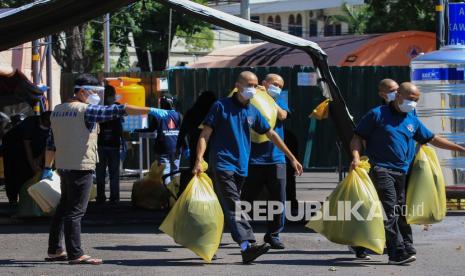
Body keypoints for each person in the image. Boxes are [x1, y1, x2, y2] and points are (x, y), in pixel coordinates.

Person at [42, 74, 167, 265]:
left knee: (63, 209)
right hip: (80, 166)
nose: (96, 96)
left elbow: (51, 144)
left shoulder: (57, 111)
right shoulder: (86, 111)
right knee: (75, 212)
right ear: (82, 91)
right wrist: (151, 110)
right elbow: (119, 110)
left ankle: (55, 249)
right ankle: (76, 254)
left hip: (64, 166)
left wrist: (46, 168)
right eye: (93, 91)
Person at [193, 71, 303, 264]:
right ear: (237, 85)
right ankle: (247, 245)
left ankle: (207, 242)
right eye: (248, 85)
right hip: (222, 163)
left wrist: (291, 158)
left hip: (241, 166)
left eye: (254, 85)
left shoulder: (252, 110)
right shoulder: (221, 106)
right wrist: (199, 159)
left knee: (224, 206)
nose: (252, 88)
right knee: (235, 204)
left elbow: (271, 134)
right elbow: (205, 134)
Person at [350, 82, 465, 265]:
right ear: (398, 96)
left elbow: (433, 138)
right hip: (380, 168)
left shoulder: (411, 118)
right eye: (410, 99)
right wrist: (356, 157)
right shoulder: (377, 114)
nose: (413, 103)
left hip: (401, 171)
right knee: (390, 210)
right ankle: (396, 253)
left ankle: (401, 245)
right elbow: (357, 137)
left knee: (400, 210)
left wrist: (461, 149)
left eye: (416, 100)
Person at [241, 73, 289, 249]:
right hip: (253, 159)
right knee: (247, 198)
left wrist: (270, 99)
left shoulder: (278, 101)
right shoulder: (251, 98)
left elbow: (283, 115)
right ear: (264, 83)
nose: (277, 87)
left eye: (280, 86)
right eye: (274, 83)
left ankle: (273, 234)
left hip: (277, 159)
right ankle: (244, 234)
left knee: (279, 199)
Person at [3, 111, 51, 205]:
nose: (50, 125)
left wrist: (39, 159)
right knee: (14, 171)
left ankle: (30, 199)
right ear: (42, 120)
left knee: (33, 172)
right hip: (13, 146)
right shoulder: (29, 123)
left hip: (34, 146)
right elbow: (27, 145)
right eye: (48, 123)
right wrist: (32, 164)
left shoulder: (53, 125)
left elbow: (48, 144)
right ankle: (13, 199)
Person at [176, 90, 217, 196]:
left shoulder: (191, 112)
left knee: (195, 169)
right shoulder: (213, 113)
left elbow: (183, 131)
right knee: (211, 172)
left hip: (195, 145)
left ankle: (194, 195)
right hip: (212, 146)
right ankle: (210, 194)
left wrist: (178, 146)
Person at [95, 85, 123, 204]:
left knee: (101, 173)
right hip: (112, 144)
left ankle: (102, 196)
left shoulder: (98, 107)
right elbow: (120, 126)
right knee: (113, 173)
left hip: (102, 144)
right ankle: (114, 197)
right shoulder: (117, 107)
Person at [153, 93, 182, 185]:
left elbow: (151, 128)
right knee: (176, 171)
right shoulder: (178, 115)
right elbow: (183, 132)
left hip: (163, 148)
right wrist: (186, 147)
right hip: (176, 148)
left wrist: (137, 130)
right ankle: (176, 194)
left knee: (165, 172)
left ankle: (167, 195)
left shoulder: (158, 115)